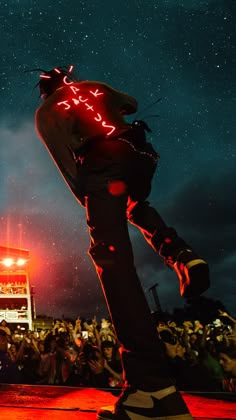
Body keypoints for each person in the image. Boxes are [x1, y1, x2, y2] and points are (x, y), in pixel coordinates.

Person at [34, 65, 210, 419]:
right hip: (139, 156)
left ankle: (150, 388)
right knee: (136, 204)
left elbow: (66, 163)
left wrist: (87, 197)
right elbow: (131, 103)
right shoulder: (94, 86)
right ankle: (179, 252)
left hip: (101, 163)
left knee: (112, 259)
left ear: (44, 91)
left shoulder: (47, 111)